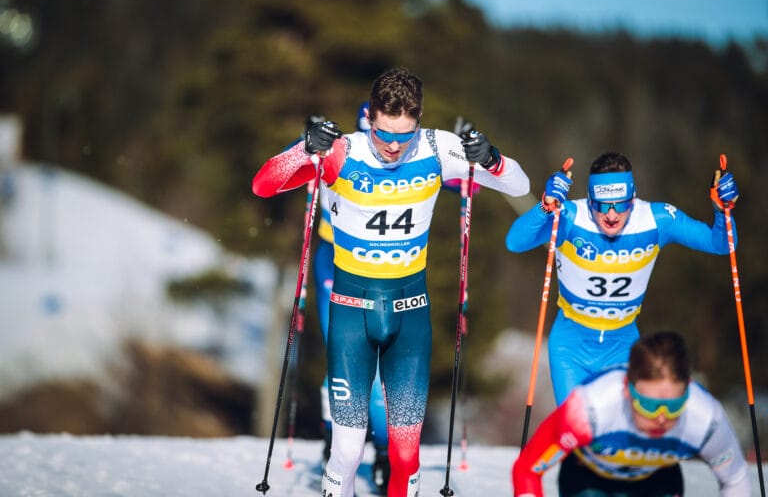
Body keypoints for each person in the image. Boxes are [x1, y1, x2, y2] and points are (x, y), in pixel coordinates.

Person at [252, 66, 530, 497]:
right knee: (346, 452)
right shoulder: (344, 150)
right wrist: (304, 151)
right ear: (372, 117)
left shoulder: (439, 147)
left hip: (410, 315)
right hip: (350, 312)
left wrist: (490, 157)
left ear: (418, 119)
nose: (395, 147)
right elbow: (264, 185)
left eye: (405, 135)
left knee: (405, 454)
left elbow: (519, 185)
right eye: (385, 135)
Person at [505, 152, 739, 405]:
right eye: (602, 205)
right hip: (571, 348)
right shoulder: (570, 217)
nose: (612, 215)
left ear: (633, 197)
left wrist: (721, 210)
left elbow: (722, 244)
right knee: (578, 431)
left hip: (623, 348)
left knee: (621, 433)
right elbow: (515, 242)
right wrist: (545, 206)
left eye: (621, 204)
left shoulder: (657, 220)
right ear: (590, 199)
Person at [511, 331, 751, 496]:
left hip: (656, 481)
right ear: (627, 388)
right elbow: (528, 470)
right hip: (589, 480)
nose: (661, 417)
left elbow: (734, 478)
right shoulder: (590, 408)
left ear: (688, 388)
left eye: (674, 405)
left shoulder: (706, 419)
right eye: (648, 405)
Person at [312, 103, 392, 492]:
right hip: (334, 261)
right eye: (364, 136)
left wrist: (471, 154)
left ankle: (385, 453)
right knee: (340, 355)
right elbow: (301, 158)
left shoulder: (401, 155)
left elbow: (460, 181)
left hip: (382, 269)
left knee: (381, 365)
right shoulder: (342, 148)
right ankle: (333, 444)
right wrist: (309, 140)